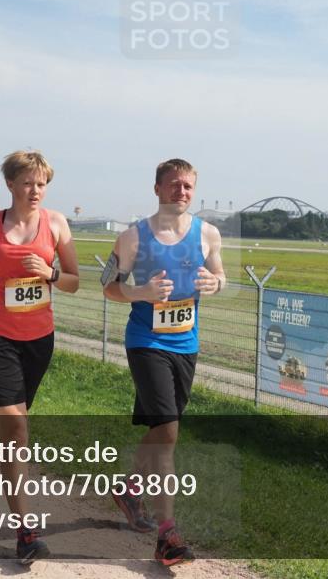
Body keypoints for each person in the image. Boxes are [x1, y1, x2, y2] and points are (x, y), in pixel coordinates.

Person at [0, 150, 79, 565]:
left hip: (38, 338)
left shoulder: (57, 224)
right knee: (18, 428)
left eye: (41, 183)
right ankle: (26, 532)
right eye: (27, 182)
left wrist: (51, 273)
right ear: (10, 184)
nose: (35, 190)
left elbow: (75, 282)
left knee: (11, 428)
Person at [102, 158, 225, 566]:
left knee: (162, 429)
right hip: (145, 341)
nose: (182, 192)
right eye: (174, 185)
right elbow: (108, 288)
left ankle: (128, 487)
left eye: (188, 186)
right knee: (169, 431)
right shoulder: (132, 237)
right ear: (157, 189)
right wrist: (142, 292)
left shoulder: (208, 234)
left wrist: (215, 283)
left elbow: (220, 279)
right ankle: (167, 534)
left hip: (185, 344)